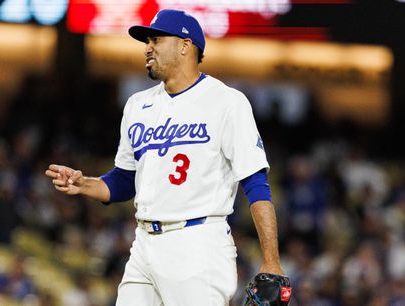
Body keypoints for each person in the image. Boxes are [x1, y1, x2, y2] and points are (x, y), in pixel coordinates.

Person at [45, 9, 286, 305]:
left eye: (156, 39)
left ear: (185, 45)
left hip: (197, 243)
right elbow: (124, 180)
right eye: (148, 41)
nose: (148, 47)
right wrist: (85, 185)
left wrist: (271, 261)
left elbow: (256, 184)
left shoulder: (227, 102)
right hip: (143, 243)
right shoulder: (137, 105)